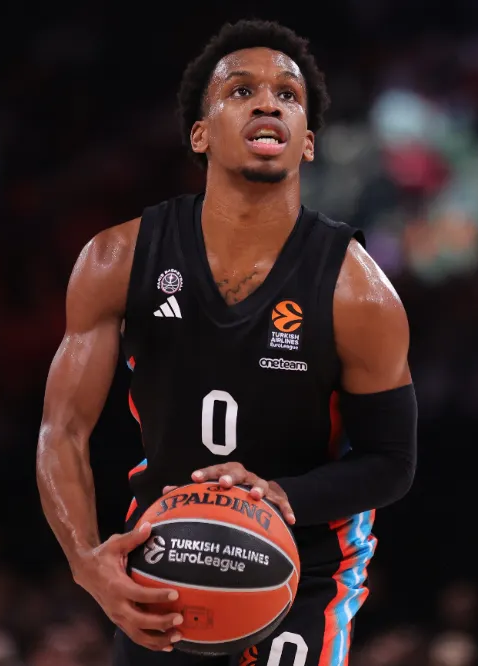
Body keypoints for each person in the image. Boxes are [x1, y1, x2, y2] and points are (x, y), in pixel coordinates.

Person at [35, 19, 418, 666]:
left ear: (307, 143)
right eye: (242, 90)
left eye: (288, 95)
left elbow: (392, 462)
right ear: (200, 134)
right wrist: (87, 562)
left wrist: (282, 495)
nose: (269, 102)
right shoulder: (117, 260)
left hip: (301, 570)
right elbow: (62, 432)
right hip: (166, 554)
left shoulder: (359, 291)